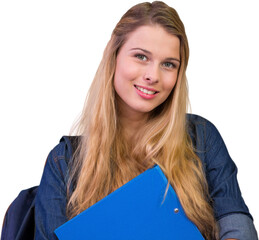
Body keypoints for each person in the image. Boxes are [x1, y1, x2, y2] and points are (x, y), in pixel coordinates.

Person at [34, 1, 258, 239]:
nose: (153, 75)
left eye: (169, 64)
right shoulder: (65, 161)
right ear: (114, 56)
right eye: (141, 57)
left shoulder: (201, 137)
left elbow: (238, 226)